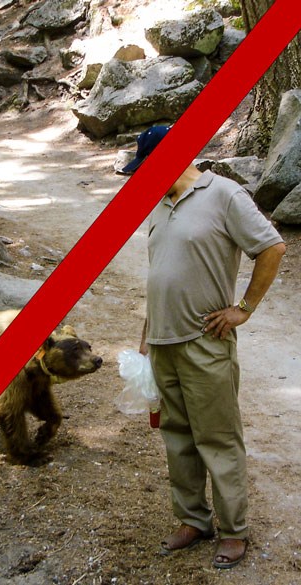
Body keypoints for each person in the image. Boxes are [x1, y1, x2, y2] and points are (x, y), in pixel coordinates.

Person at [134, 126, 286, 569]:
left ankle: (234, 531)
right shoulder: (159, 207)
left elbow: (272, 247)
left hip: (205, 343)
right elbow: (160, 275)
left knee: (217, 438)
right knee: (177, 438)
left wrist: (244, 308)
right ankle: (193, 520)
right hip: (163, 344)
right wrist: (146, 337)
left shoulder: (224, 194)